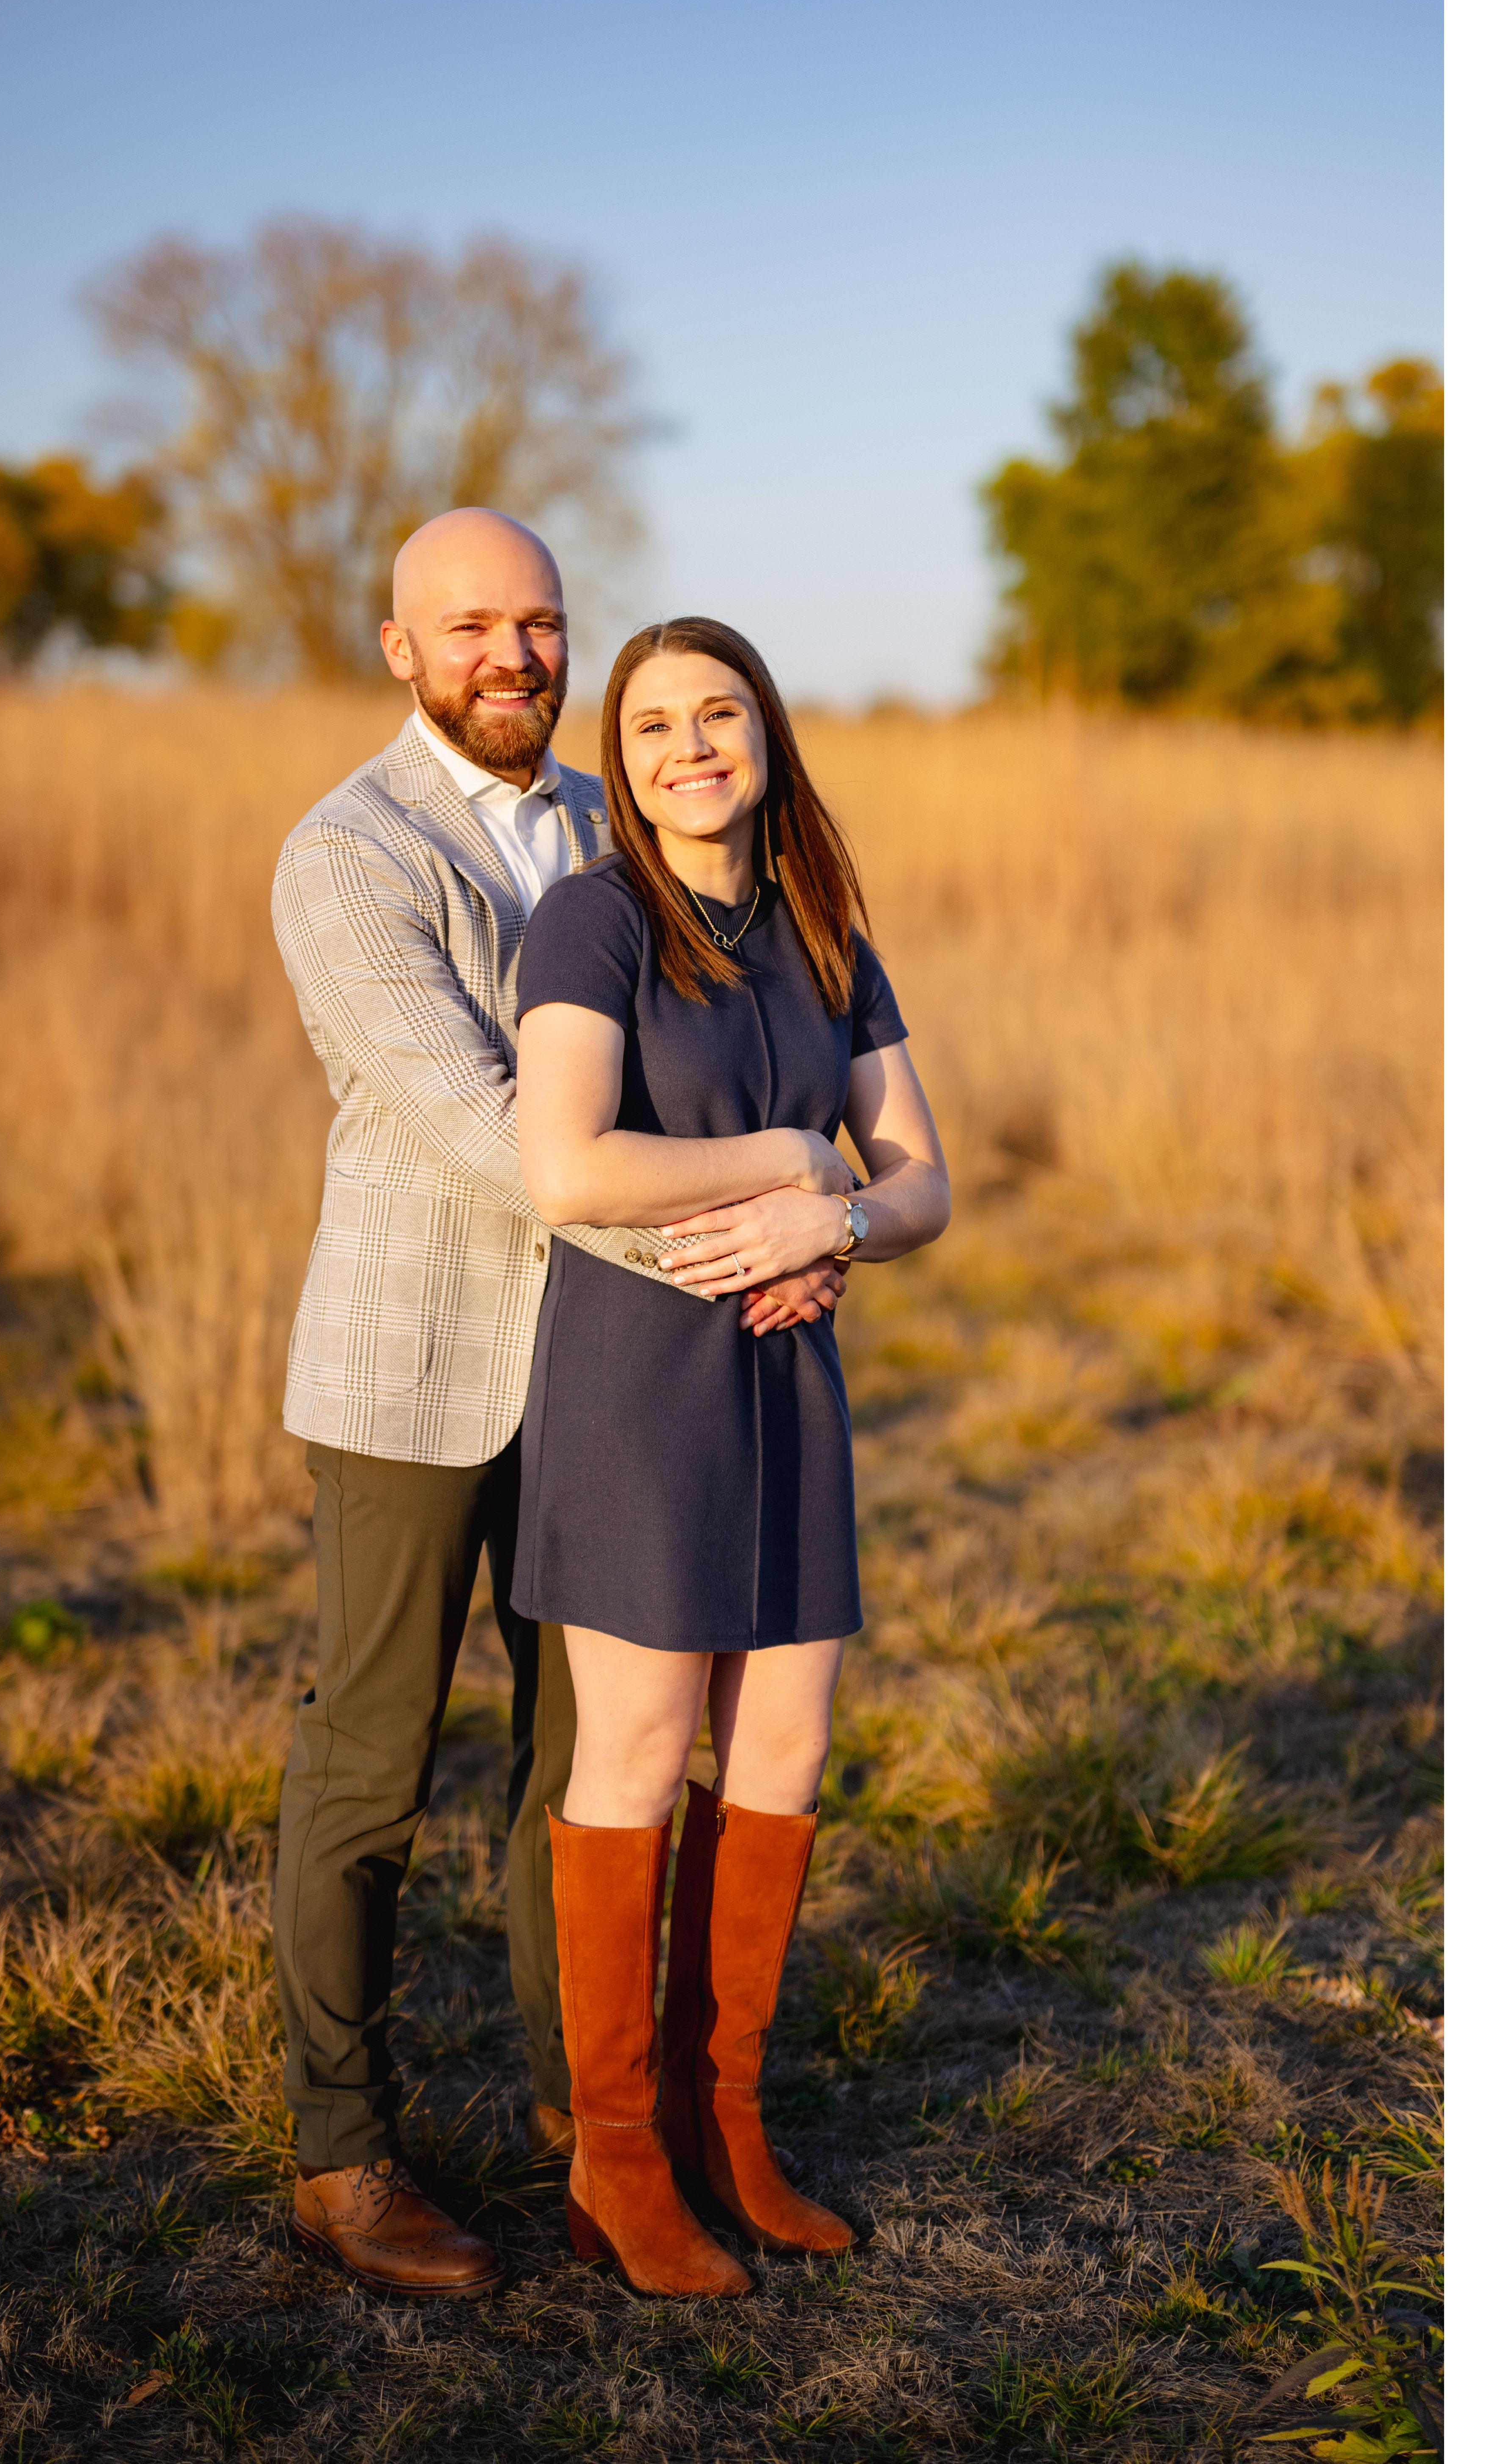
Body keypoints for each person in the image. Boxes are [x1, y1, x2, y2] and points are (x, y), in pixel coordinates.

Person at [267, 515, 847, 2299]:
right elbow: (500, 1135)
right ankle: (342, 2149)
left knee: (588, 1752)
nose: (511, 655)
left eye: (537, 622)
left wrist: (816, 1222)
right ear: (400, 648)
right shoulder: (350, 854)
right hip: (423, 1367)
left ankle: (582, 2115)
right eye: (468, 628)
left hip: (614, 1377)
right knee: (374, 1760)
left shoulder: (625, 823)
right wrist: (772, 1212)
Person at [513, 614, 951, 2298]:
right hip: (640, 1384)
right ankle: (616, 2156)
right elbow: (567, 1166)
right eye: (652, 728)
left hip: (790, 1382)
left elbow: (921, 1180)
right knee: (633, 1754)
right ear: (621, 768)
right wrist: (791, 1160)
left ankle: (726, 2122)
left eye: (717, 715)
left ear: (766, 734)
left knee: (782, 1742)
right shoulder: (596, 919)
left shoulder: (824, 927)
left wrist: (843, 1218)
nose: (689, 747)